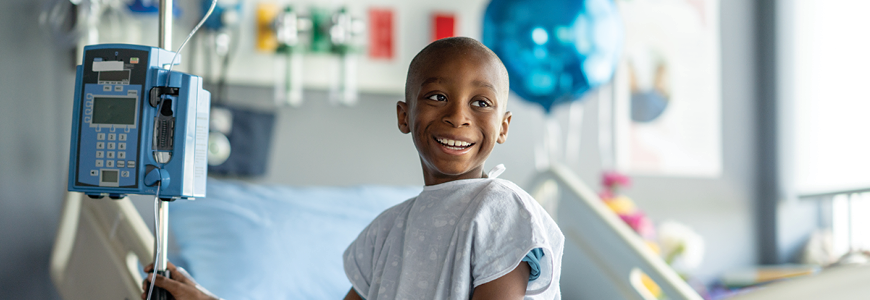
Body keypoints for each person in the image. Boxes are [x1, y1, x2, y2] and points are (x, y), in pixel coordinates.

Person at [141, 36, 564, 300]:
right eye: (436, 96)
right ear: (404, 115)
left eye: (481, 103)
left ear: (504, 126)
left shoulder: (502, 209)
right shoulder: (386, 231)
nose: (458, 116)